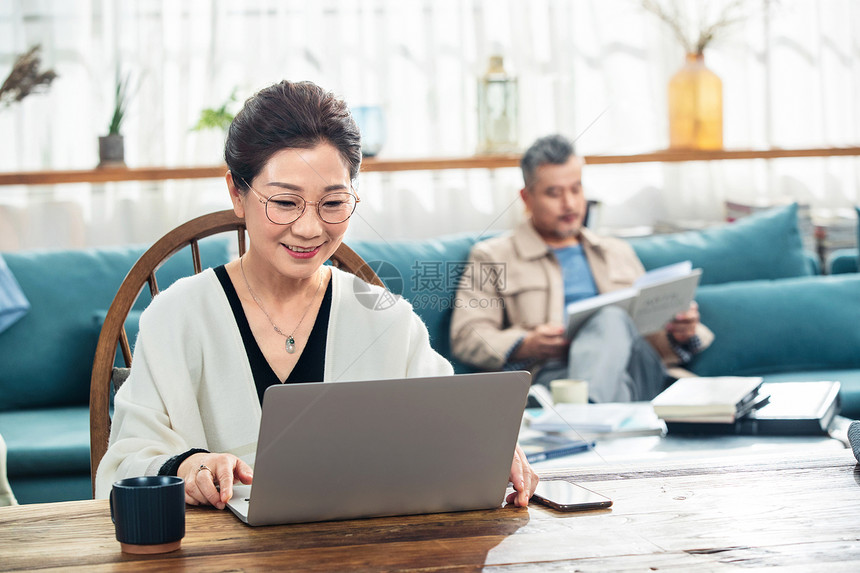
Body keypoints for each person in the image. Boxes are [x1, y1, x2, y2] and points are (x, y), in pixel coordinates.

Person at [95, 80, 538, 509]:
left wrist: (492, 449)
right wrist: (190, 466)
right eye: (285, 203)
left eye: (333, 203)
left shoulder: (386, 319)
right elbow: (123, 466)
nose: (310, 229)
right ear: (237, 192)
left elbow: (452, 425)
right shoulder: (177, 315)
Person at [450, 134, 713, 403]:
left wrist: (679, 333)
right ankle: (598, 415)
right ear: (526, 198)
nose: (570, 204)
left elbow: (645, 337)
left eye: (576, 189)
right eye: (554, 193)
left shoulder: (616, 251)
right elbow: (467, 336)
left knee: (611, 319)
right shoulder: (493, 256)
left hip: (639, 369)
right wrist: (526, 343)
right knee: (612, 381)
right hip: (559, 375)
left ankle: (583, 417)